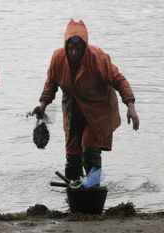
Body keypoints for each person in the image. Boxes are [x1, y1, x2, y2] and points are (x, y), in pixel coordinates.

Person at [33, 19, 139, 181]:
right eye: (71, 48)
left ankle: (93, 189)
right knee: (72, 160)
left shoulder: (98, 59)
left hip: (97, 113)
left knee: (90, 150)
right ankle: (73, 194)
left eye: (78, 48)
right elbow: (51, 83)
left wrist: (130, 106)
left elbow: (119, 80)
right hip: (72, 112)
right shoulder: (57, 59)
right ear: (66, 47)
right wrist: (42, 105)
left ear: (85, 47)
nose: (74, 53)